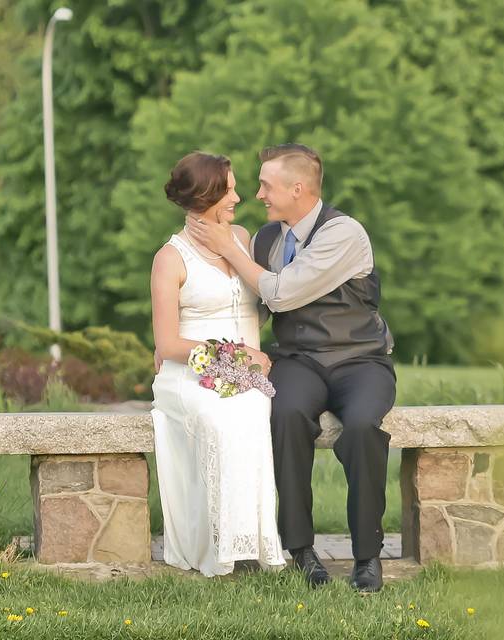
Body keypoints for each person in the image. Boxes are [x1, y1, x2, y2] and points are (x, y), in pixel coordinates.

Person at [187, 143, 395, 592]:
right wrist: (208, 340)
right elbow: (254, 307)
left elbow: (281, 293)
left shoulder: (345, 233)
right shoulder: (266, 239)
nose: (258, 194)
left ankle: (367, 557)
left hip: (359, 360)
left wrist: (229, 247)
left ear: (296, 188)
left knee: (361, 426)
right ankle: (300, 549)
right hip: (299, 360)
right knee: (284, 415)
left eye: (265, 184)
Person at [150, 151, 285, 577]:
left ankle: (251, 542)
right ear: (205, 195)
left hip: (247, 376)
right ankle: (223, 547)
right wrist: (236, 355)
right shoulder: (170, 258)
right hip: (188, 373)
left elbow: (267, 299)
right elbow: (168, 343)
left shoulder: (242, 238)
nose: (238, 197)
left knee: (252, 409)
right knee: (223, 417)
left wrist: (251, 360)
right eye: (228, 190)